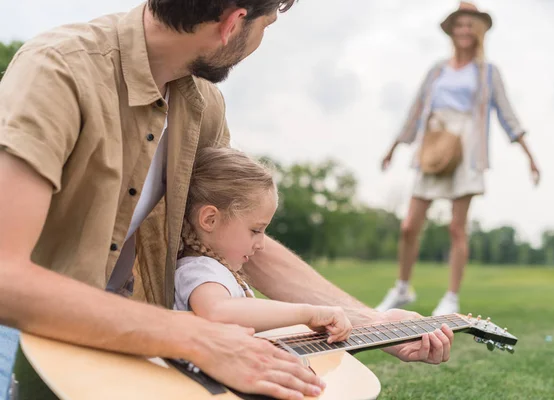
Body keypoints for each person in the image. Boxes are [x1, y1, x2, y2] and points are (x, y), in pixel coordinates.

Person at [0, 1, 454, 399]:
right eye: (267, 25)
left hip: (134, 341)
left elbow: (235, 238)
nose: (261, 40)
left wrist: (369, 322)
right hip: (25, 339)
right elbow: (6, 278)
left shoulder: (203, 104)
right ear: (234, 23)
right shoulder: (57, 69)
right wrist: (197, 338)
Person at [376, 1, 540, 317]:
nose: (464, 30)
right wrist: (394, 146)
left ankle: (451, 297)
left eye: (470, 25)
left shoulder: (488, 72)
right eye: (459, 25)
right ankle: (402, 288)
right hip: (433, 145)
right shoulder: (437, 70)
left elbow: (508, 114)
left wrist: (529, 155)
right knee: (409, 225)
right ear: (452, 30)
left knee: (456, 228)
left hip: (466, 149)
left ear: (478, 31)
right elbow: (415, 109)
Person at [174, 147, 352, 343]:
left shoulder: (215, 271)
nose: (261, 245)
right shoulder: (198, 269)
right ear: (210, 220)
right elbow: (217, 311)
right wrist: (308, 313)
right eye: (256, 230)